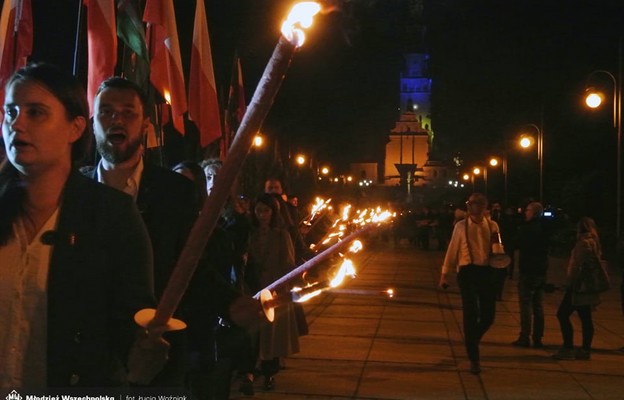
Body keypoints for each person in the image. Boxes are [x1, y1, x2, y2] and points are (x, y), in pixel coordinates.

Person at [0, 63, 157, 387]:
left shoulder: (111, 216)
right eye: (10, 111)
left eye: (36, 113)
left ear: (75, 128)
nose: (17, 124)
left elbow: (129, 322)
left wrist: (143, 355)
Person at [82, 76, 198, 386]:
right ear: (92, 122)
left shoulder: (176, 193)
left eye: (128, 112)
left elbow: (196, 265)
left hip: (154, 357)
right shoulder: (70, 190)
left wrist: (232, 304)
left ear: (146, 123)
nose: (116, 119)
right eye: (106, 111)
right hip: (85, 357)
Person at [439, 193, 501, 374]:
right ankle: (474, 359)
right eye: (472, 204)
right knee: (471, 313)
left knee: (489, 316)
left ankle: (472, 339)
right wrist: (445, 274)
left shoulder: (493, 225)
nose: (474, 207)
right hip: (467, 272)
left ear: (484, 206)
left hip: (486, 271)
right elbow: (452, 250)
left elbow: (498, 248)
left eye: (478, 204)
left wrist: (500, 261)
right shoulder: (460, 226)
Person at [246, 193, 300, 391]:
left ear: (273, 212)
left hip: (274, 289)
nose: (262, 215)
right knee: (255, 334)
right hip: (253, 289)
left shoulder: (281, 234)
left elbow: (287, 262)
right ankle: (251, 370)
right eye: (258, 210)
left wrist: (285, 284)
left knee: (273, 335)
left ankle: (269, 373)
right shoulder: (249, 233)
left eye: (266, 211)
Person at [552, 217, 603, 361]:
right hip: (587, 286)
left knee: (562, 314)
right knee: (586, 318)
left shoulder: (584, 243)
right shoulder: (594, 242)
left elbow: (577, 266)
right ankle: (585, 349)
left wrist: (569, 282)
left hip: (578, 287)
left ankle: (568, 347)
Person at [512, 202, 549, 348]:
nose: (525, 212)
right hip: (541, 270)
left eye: (527, 210)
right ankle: (538, 337)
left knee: (525, 305)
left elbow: (517, 243)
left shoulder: (526, 229)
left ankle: (524, 336)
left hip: (528, 270)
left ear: (533, 213)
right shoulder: (545, 229)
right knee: (538, 306)